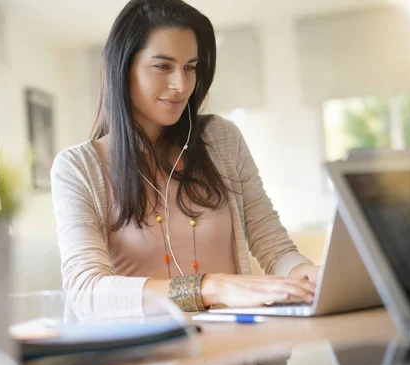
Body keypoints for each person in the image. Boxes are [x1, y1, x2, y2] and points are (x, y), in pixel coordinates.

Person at [51, 0, 320, 317]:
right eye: (163, 66)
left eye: (190, 67)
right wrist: (209, 287)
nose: (181, 85)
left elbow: (274, 247)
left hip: (236, 352)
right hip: (149, 359)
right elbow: (86, 290)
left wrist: (308, 275)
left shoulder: (221, 139)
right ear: (123, 69)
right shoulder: (78, 168)